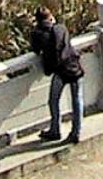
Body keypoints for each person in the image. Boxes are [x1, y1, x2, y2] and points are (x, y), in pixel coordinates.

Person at [28, 8, 84, 144]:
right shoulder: (61, 28)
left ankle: (55, 130)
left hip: (60, 71)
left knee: (54, 100)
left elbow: (35, 50)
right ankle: (76, 132)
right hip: (75, 66)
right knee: (77, 99)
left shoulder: (38, 34)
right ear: (50, 17)